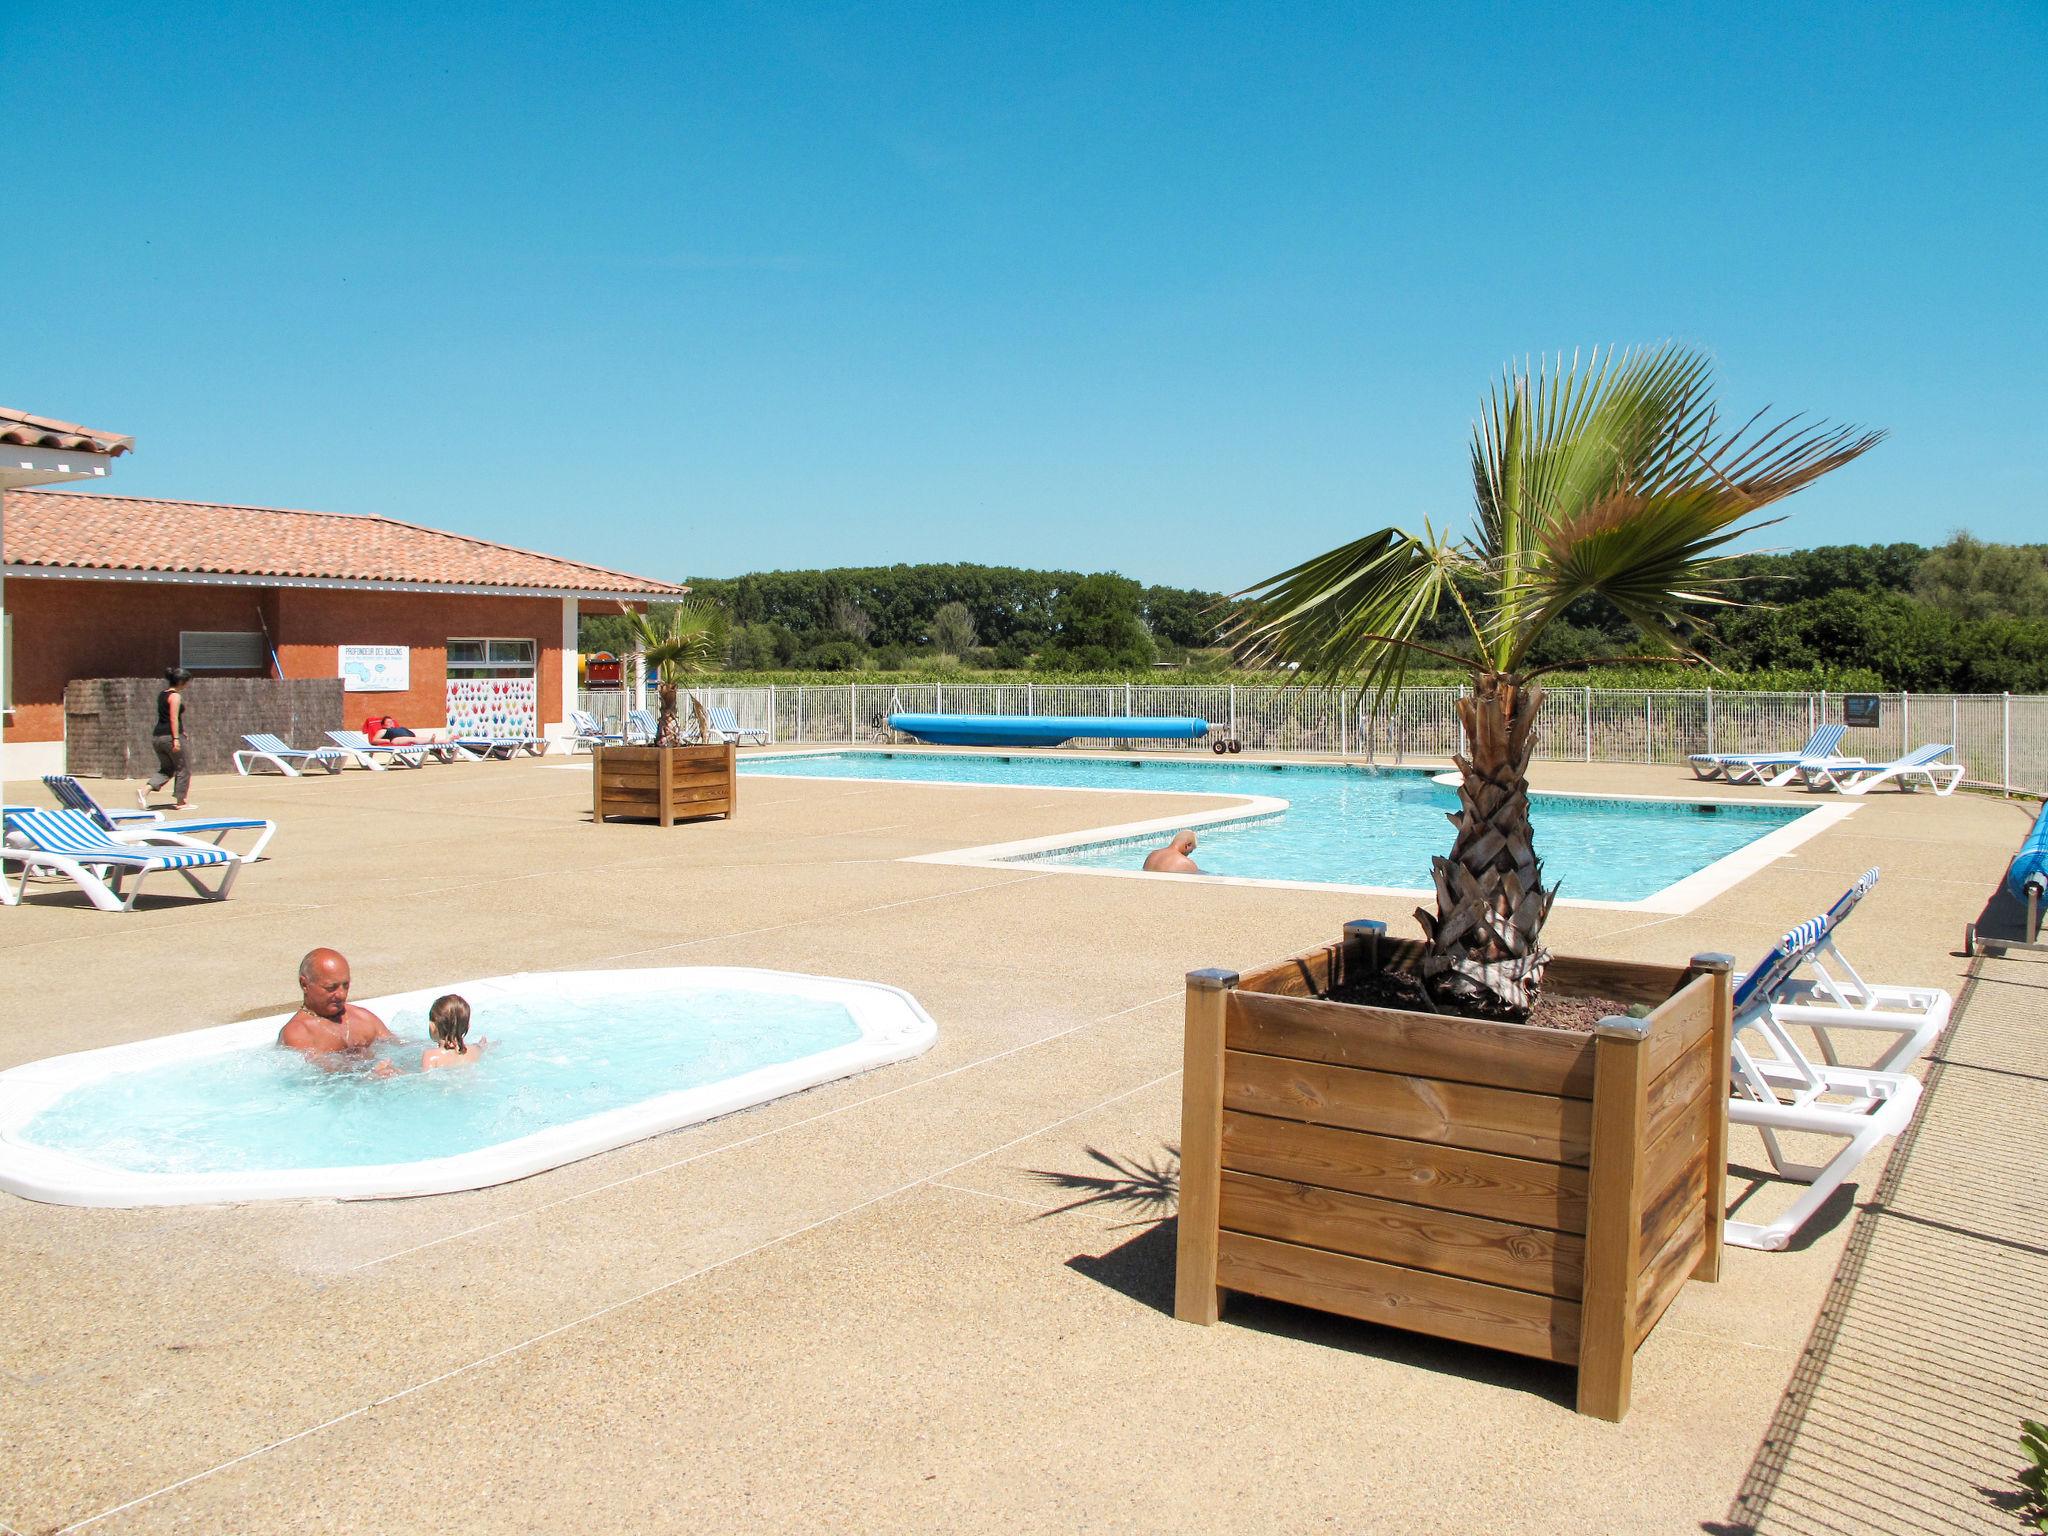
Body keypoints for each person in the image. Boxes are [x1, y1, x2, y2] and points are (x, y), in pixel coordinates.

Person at [280, 948, 400, 1076]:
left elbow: (402, 1049)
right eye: (331, 988)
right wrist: (369, 1077)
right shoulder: (298, 1033)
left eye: (346, 985)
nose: (341, 995)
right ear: (304, 984)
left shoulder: (363, 1018)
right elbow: (320, 1082)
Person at [140, 665, 194, 812]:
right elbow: (173, 718)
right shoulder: (175, 696)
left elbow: (166, 718)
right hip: (170, 737)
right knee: (183, 768)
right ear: (182, 682)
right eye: (187, 682)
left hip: (158, 737)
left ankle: (144, 791)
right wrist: (176, 738)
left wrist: (182, 732)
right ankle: (181, 801)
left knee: (167, 768)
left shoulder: (162, 694)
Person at [420, 993, 489, 1071]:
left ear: (433, 1027)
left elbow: (423, 1079)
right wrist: (481, 1045)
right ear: (467, 1026)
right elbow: (482, 1047)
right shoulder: (475, 1050)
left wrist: (402, 1072)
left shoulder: (430, 1056)